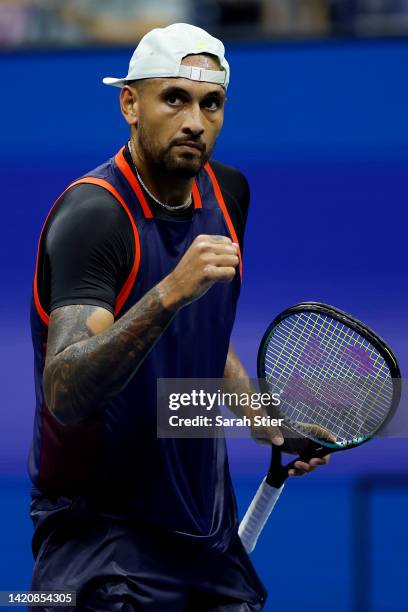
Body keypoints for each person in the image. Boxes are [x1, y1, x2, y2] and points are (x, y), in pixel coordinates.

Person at [29, 23, 329, 611]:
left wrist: (264, 417)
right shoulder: (94, 216)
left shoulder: (228, 194)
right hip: (101, 538)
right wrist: (167, 292)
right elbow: (65, 390)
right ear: (130, 104)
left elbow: (201, 340)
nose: (195, 120)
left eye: (211, 103)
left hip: (203, 531)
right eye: (175, 98)